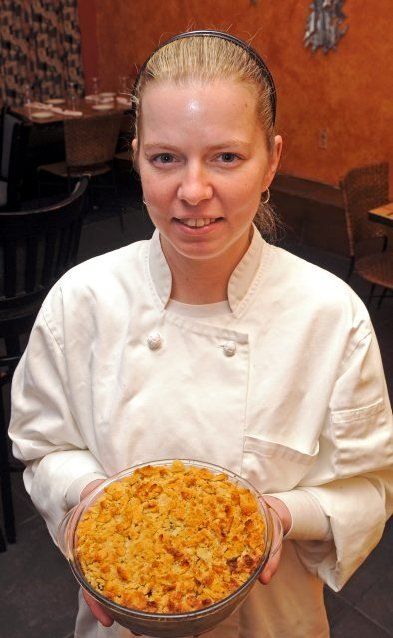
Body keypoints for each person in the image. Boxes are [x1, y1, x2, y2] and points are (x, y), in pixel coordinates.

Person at [8, 30, 393, 638]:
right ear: (135, 158)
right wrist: (86, 499)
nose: (192, 191)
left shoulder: (330, 314)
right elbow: (41, 445)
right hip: (122, 616)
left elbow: (368, 484)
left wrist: (281, 515)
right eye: (165, 158)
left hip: (274, 621)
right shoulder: (80, 300)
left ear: (273, 159)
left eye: (227, 157)